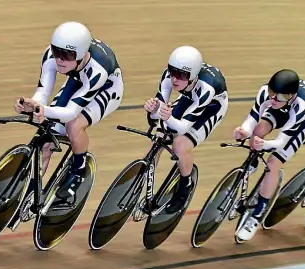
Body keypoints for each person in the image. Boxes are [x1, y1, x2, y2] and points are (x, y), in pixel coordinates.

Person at [12, 21, 124, 222]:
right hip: (78, 80)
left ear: (81, 55)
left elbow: (71, 112)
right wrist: (33, 104)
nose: (60, 60)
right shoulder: (51, 56)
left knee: (74, 125)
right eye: (57, 52)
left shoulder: (98, 68)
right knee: (46, 138)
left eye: (67, 55)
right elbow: (43, 92)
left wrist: (44, 110)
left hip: (106, 89)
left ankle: (79, 169)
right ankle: (31, 190)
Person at [233, 69, 305, 241]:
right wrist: (244, 130)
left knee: (273, 163)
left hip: (301, 122)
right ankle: (254, 163)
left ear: (291, 95)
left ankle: (257, 215)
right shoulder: (268, 93)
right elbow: (253, 117)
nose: (273, 99)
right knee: (258, 130)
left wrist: (265, 145)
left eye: (280, 96)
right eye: (272, 94)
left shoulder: (303, 106)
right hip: (281, 112)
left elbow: (281, 142)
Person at [143, 46, 229, 213]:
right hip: (190, 99)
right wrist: (153, 110)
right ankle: (140, 183)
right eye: (172, 71)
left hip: (211, 108)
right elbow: (155, 120)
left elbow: (183, 128)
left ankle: (185, 187)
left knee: (180, 145)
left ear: (193, 76)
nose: (174, 79)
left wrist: (167, 117)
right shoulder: (168, 77)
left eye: (181, 75)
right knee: (159, 136)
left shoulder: (206, 87)